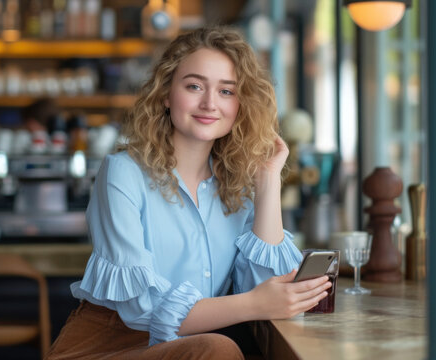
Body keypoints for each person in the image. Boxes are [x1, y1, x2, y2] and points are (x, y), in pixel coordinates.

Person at [46, 26, 331, 360]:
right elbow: (143, 310)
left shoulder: (238, 185)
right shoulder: (123, 172)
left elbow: (269, 287)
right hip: (107, 346)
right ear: (166, 94)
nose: (210, 103)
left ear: (242, 105)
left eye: (227, 91)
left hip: (192, 346)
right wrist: (253, 303)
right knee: (218, 350)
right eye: (194, 86)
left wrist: (268, 182)